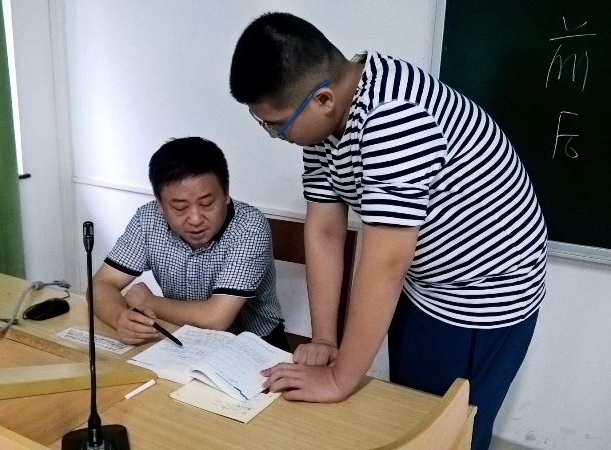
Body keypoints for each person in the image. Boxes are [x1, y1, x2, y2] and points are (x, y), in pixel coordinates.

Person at [228, 12, 547, 449]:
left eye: (276, 125)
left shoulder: (395, 118)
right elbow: (325, 230)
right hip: (424, 281)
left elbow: (385, 265)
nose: (275, 135)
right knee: (405, 415)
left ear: (322, 99)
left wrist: (339, 379)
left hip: (481, 296)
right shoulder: (326, 120)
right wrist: (325, 338)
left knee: (449, 431)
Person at [92, 137, 288, 351]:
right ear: (159, 204)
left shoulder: (249, 226)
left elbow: (216, 318)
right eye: (180, 207)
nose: (195, 219)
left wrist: (148, 302)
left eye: (207, 203)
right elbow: (102, 283)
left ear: (226, 194)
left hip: (255, 346)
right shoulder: (148, 219)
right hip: (182, 339)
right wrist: (119, 318)